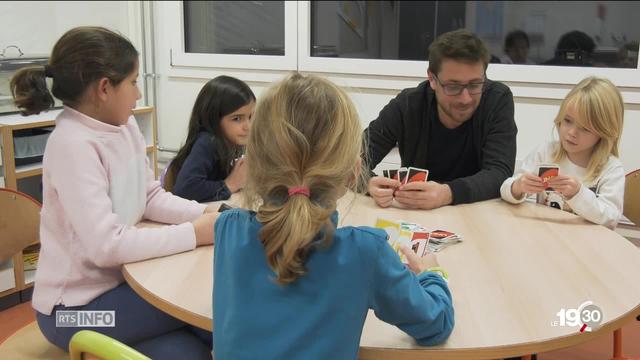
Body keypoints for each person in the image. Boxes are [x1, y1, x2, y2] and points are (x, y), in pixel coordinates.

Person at [213, 73, 454, 359]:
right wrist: (431, 274)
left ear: (253, 166)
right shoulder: (365, 252)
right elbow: (435, 324)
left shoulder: (227, 229)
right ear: (354, 172)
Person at [10, 26, 217, 359]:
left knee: (193, 343)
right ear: (104, 88)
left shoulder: (124, 125)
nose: (137, 95)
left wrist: (204, 214)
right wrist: (194, 234)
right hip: (72, 315)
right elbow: (106, 246)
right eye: (133, 82)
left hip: (121, 289)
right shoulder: (72, 145)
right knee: (206, 307)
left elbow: (149, 196)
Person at [365, 29, 517, 210]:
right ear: (432, 79)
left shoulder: (497, 99)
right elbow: (350, 160)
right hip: (414, 217)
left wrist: (447, 193)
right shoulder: (407, 105)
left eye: (475, 84)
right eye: (453, 86)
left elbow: (499, 172)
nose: (465, 98)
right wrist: (368, 184)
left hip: (477, 215)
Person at [500, 77, 625, 229]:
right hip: (546, 236)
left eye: (585, 128)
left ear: (605, 132)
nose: (571, 132)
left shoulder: (611, 168)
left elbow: (611, 219)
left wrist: (578, 194)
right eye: (567, 120)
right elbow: (505, 191)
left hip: (587, 244)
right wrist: (517, 188)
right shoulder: (546, 152)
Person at [163, 76, 256, 202]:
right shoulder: (207, 142)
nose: (248, 126)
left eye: (250, 117)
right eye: (237, 119)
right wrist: (230, 184)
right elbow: (184, 189)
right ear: (214, 119)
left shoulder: (232, 141)